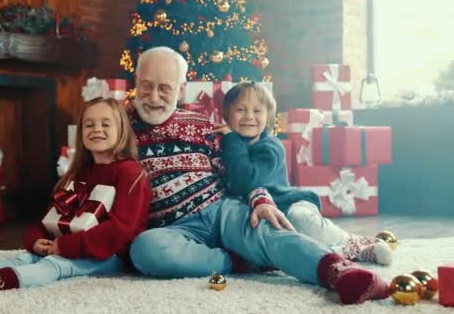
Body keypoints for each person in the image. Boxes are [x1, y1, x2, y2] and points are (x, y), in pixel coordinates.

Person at [127, 46, 390, 304]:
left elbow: (236, 169)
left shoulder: (201, 125)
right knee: (144, 250)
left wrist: (260, 199)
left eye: (165, 88)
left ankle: (337, 270)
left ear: (181, 89)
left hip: (221, 209)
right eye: (147, 86)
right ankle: (239, 261)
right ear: (136, 81)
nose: (153, 97)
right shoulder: (121, 128)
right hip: (175, 228)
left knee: (269, 232)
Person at [0, 97, 152, 295]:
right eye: (89, 124)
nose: (96, 129)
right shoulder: (79, 173)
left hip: (110, 254)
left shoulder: (130, 173)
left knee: (54, 265)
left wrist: (64, 246)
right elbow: (53, 214)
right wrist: (36, 239)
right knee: (25, 257)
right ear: (81, 133)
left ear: (121, 130)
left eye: (105, 124)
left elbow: (122, 230)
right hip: (71, 243)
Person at [213, 81, 392, 266]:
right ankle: (339, 254)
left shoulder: (271, 147)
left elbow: (246, 181)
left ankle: (351, 242)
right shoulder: (226, 144)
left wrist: (231, 139)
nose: (249, 116)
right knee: (295, 246)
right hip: (259, 214)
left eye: (257, 111)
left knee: (299, 220)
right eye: (241, 110)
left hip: (289, 204)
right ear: (227, 115)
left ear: (268, 117)